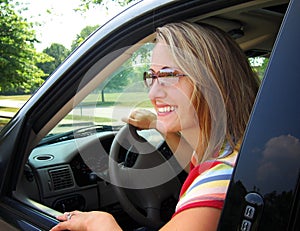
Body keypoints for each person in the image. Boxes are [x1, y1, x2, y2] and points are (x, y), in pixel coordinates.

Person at [50, 21, 259, 231]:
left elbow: (207, 178)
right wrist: (157, 124)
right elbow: (195, 164)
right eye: (151, 76)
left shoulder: (219, 183)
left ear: (212, 82)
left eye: (169, 75)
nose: (152, 94)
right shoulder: (230, 150)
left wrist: (98, 222)